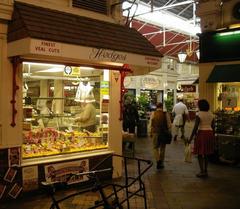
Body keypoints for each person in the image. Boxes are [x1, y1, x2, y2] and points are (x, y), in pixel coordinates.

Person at [188, 99, 215, 178]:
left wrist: (191, 138)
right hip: (209, 133)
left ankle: (202, 171)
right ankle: (206, 170)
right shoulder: (211, 114)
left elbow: (195, 127)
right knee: (206, 153)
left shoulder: (199, 114)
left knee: (200, 153)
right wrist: (213, 136)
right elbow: (213, 127)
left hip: (202, 133)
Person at [149, 102, 171, 169]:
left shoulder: (153, 113)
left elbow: (151, 124)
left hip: (155, 132)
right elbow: (169, 124)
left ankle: (158, 160)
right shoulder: (165, 114)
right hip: (163, 133)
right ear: (162, 107)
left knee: (155, 147)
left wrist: (150, 132)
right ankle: (161, 162)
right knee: (162, 148)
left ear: (156, 107)